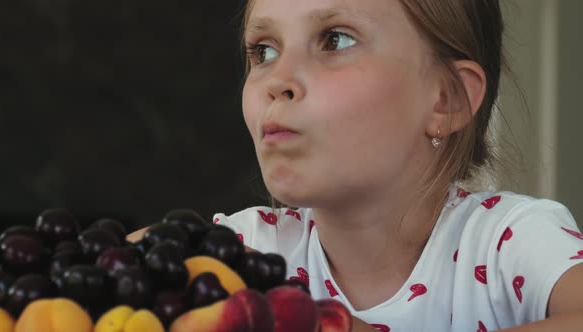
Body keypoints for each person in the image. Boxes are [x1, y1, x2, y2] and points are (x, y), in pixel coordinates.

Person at [130, 0, 583, 330]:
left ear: (447, 99)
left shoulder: (509, 241)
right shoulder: (248, 251)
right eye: (263, 50)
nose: (277, 81)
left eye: (335, 39)